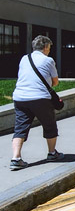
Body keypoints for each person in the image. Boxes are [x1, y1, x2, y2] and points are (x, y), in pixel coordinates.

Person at [10, 35, 63, 169]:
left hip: (20, 97)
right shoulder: (48, 60)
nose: (49, 50)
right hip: (40, 98)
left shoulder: (24, 58)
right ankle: (52, 153)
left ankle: (16, 158)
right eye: (49, 47)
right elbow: (55, 82)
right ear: (45, 47)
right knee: (49, 124)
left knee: (20, 128)